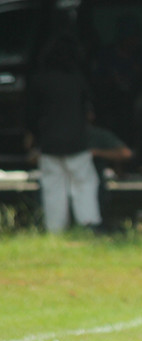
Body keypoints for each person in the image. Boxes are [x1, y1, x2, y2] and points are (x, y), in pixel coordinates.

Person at [25, 33, 103, 233]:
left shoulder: (39, 81)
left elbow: (32, 114)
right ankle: (88, 225)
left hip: (50, 143)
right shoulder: (78, 80)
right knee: (84, 184)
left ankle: (55, 229)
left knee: (53, 188)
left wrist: (33, 136)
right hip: (77, 142)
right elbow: (90, 110)